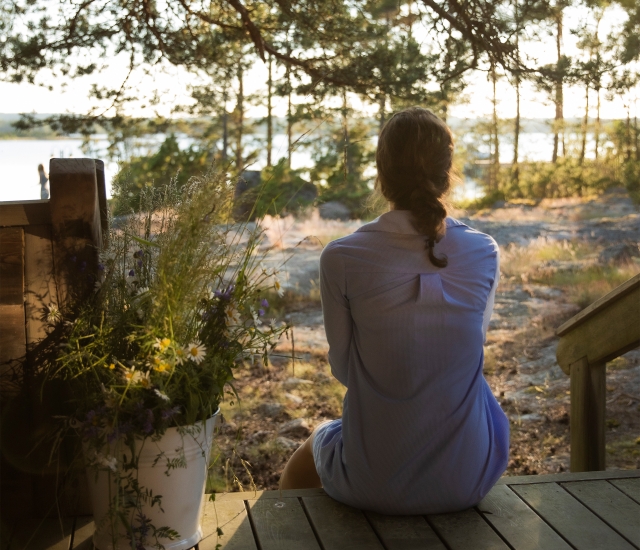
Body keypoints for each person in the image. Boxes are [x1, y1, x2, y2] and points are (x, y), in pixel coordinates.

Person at [279, 107, 509, 514]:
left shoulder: (342, 256)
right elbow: (469, 350)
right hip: (467, 476)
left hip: (373, 481)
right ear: (447, 172)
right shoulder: (484, 251)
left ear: (381, 173)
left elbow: (346, 371)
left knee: (311, 451)